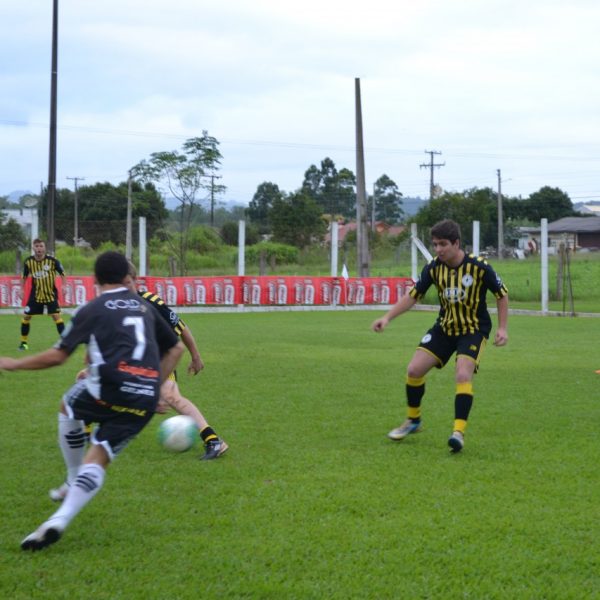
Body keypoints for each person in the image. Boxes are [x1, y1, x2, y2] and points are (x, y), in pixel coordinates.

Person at [0, 251, 184, 551]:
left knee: (67, 405)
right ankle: (59, 519)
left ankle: (72, 478)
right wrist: (155, 386)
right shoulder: (145, 307)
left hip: (107, 388)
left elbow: (58, 356)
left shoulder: (93, 308)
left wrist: (14, 363)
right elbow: (175, 349)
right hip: (143, 399)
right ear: (128, 277)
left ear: (95, 280)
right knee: (99, 455)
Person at [372, 219, 509, 453]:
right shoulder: (434, 267)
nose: (438, 249)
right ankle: (413, 421)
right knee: (414, 370)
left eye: (443, 244)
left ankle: (458, 432)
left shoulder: (479, 267)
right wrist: (387, 317)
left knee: (462, 373)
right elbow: (413, 296)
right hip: (444, 328)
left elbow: (501, 294)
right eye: (435, 244)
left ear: (456, 243)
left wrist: (502, 327)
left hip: (473, 330)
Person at [19, 238, 66, 350]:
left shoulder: (53, 260)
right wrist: (21, 289)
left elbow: (63, 273)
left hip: (50, 294)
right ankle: (23, 343)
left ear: (44, 248)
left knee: (56, 316)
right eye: (37, 246)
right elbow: (24, 277)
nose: (39, 249)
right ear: (33, 248)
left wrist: (64, 285)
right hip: (36, 294)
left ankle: (65, 343)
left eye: (41, 246)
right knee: (26, 317)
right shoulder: (28, 262)